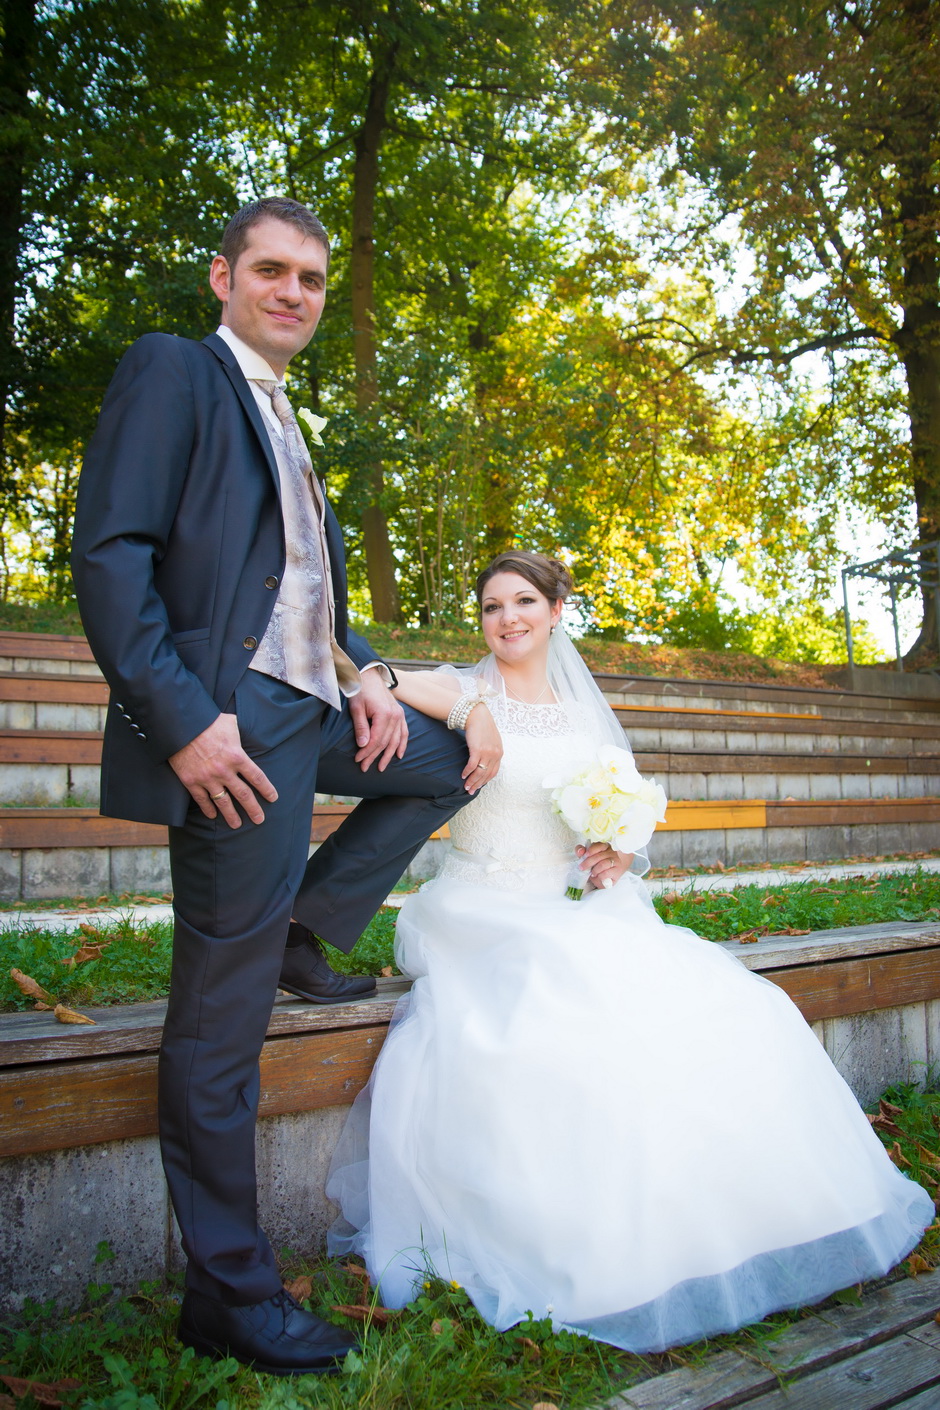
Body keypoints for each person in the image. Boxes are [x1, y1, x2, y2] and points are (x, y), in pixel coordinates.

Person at [70, 197, 500, 1377]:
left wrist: (369, 677)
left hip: (309, 708)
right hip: (230, 732)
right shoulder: (177, 373)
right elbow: (110, 556)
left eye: (312, 278)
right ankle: (229, 1290)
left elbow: (302, 597)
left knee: (449, 759)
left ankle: (307, 928)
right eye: (271, 270)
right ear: (223, 276)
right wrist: (185, 726)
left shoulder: (286, 417)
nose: (294, 293)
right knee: (221, 1021)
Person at [326, 549, 934, 1353]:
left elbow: (615, 813)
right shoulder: (467, 689)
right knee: (564, 988)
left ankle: (738, 1220)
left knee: (725, 1005)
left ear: (554, 612)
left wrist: (619, 851)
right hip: (485, 907)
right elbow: (380, 683)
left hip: (579, 901)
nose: (505, 619)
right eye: (490, 607)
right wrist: (471, 711)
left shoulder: (583, 714)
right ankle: (598, 1250)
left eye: (521, 603)